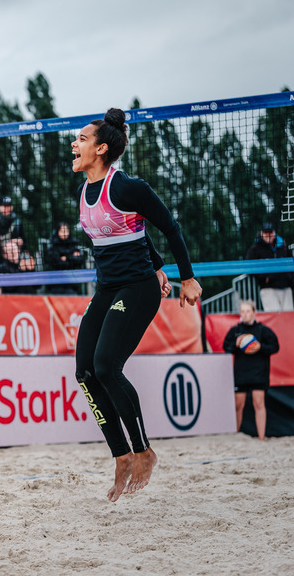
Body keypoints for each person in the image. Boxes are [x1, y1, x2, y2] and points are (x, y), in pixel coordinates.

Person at [72, 108, 202, 502]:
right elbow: (130, 230)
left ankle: (144, 450)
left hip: (138, 289)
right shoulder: (85, 190)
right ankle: (121, 455)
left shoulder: (128, 186)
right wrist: (159, 264)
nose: (74, 144)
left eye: (81, 139)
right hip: (108, 288)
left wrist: (187, 276)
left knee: (107, 366)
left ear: (102, 148)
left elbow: (168, 225)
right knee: (85, 371)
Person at [223, 301, 279, 441]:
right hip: (241, 373)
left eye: (248, 311)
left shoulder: (263, 330)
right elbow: (226, 347)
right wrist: (236, 345)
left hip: (259, 373)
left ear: (254, 312)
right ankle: (236, 435)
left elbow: (275, 346)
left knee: (259, 403)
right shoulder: (236, 331)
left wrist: (260, 347)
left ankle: (261, 438)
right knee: (238, 405)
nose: (245, 314)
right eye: (242, 311)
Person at [245, 223, 293, 312]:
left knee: (288, 317)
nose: (268, 235)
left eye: (270, 232)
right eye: (265, 232)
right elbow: (249, 267)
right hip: (268, 288)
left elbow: (291, 263)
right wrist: (264, 279)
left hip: (286, 287)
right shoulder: (255, 249)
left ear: (274, 233)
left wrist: (290, 279)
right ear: (261, 233)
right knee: (274, 317)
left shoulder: (283, 246)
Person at [45, 221, 86, 295]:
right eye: (62, 231)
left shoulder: (74, 245)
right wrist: (72, 258)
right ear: (58, 232)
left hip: (71, 284)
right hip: (56, 284)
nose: (64, 233)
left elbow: (81, 260)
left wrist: (66, 258)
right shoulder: (52, 247)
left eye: (66, 231)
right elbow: (56, 263)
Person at [0, 196, 23, 264]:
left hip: (13, 261)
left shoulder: (18, 222)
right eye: (4, 206)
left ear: (12, 207)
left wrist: (20, 242)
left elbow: (24, 243)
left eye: (9, 205)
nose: (7, 208)